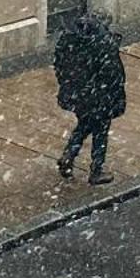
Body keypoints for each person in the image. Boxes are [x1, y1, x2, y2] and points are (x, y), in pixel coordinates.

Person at [54, 11, 126, 184]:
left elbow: (59, 65)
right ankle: (96, 171)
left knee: (85, 124)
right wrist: (114, 94)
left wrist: (71, 85)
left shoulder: (70, 39)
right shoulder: (104, 44)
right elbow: (113, 74)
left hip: (78, 95)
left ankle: (68, 156)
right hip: (99, 96)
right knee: (100, 131)